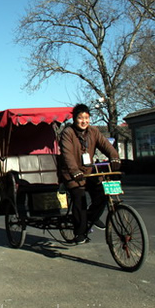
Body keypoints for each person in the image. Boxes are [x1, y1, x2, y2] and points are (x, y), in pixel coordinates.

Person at [58, 103, 121, 244]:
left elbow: (106, 145)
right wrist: (74, 171)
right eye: (80, 118)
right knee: (80, 198)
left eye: (86, 118)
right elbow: (67, 155)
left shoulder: (93, 131)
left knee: (102, 192)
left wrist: (115, 157)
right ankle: (80, 233)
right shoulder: (68, 133)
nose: (84, 121)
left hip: (89, 172)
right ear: (75, 119)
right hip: (71, 173)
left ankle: (91, 216)